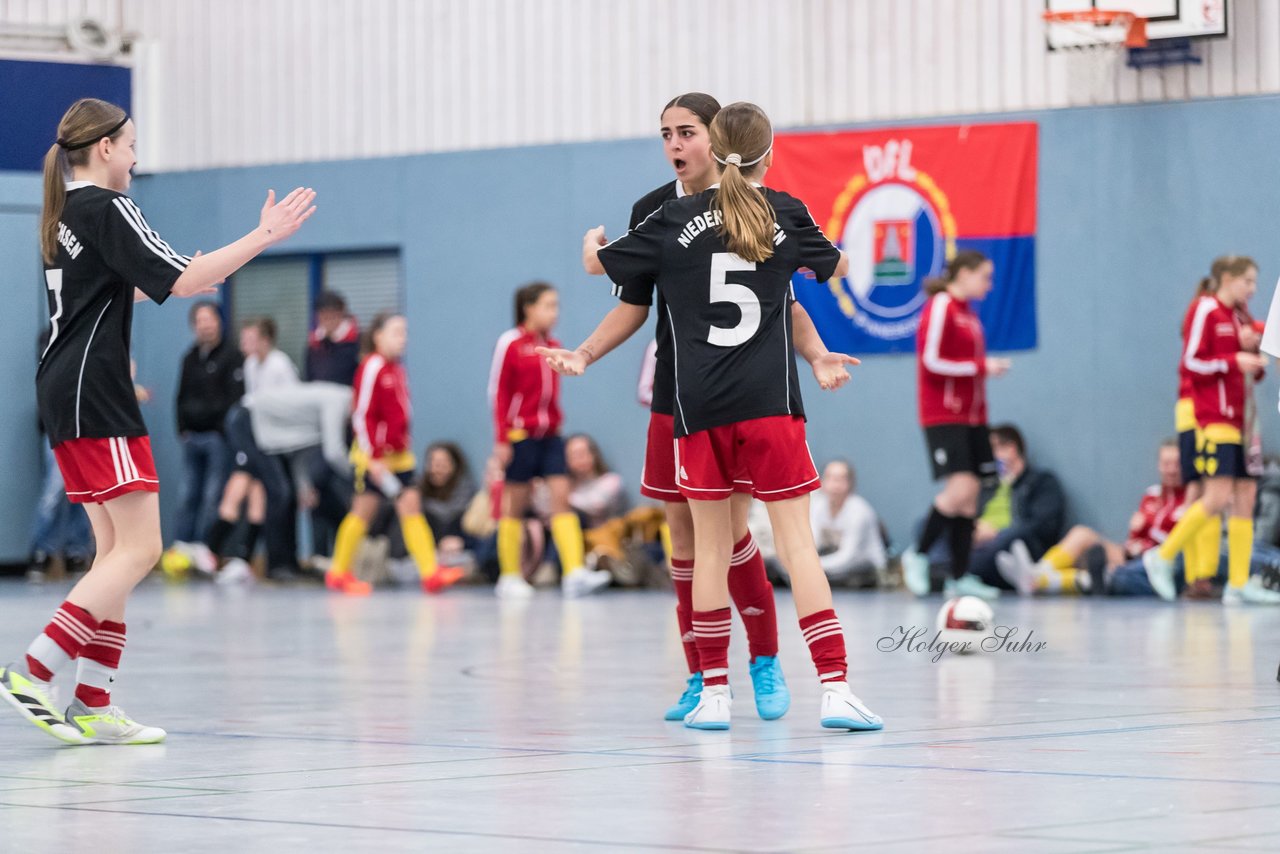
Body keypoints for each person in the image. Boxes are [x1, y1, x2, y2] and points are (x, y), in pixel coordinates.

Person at [554, 101, 882, 732]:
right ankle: (836, 688)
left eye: (686, 133)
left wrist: (591, 244)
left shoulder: (670, 219)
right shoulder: (783, 212)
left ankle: (713, 692)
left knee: (709, 550)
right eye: (668, 135)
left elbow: (599, 263)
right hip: (769, 405)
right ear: (768, 153)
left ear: (712, 144)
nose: (675, 144)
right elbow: (836, 267)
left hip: (697, 407)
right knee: (797, 547)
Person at [0, 97, 315, 745]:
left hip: (67, 390)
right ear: (107, 147)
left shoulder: (66, 214)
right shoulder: (107, 206)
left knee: (115, 555)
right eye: (133, 144)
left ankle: (91, 700)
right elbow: (183, 276)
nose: (139, 158)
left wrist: (187, 275)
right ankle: (33, 672)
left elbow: (143, 283)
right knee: (143, 548)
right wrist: (265, 236)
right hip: (96, 393)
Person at [1144, 256, 1280, 604]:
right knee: (1216, 496)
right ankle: (1162, 556)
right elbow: (1191, 362)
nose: (1252, 289)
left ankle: (1237, 583)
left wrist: (1250, 355)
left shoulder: (1240, 318)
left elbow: (1253, 372)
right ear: (1228, 278)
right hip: (1214, 418)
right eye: (1248, 281)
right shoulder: (1205, 310)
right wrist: (1233, 360)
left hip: (1244, 420)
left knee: (1246, 498)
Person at [487, 282, 613, 599]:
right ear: (528, 307)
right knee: (514, 504)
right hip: (520, 435)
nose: (554, 313)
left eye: (557, 306)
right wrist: (502, 439)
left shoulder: (554, 344)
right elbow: (498, 392)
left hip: (551, 435)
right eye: (548, 305)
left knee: (561, 497)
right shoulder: (510, 343)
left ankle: (573, 572)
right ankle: (510, 575)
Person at [324, 313, 463, 596]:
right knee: (362, 512)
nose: (403, 339)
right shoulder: (372, 366)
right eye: (396, 333)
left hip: (399, 456)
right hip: (374, 457)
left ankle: (430, 573)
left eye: (405, 333)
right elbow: (361, 415)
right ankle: (338, 572)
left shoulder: (395, 368)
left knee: (411, 507)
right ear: (378, 336)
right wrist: (373, 457)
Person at [900, 251, 1011, 601]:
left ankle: (959, 575)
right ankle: (916, 554)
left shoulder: (968, 313)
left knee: (972, 495)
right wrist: (981, 366)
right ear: (963, 274)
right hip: (944, 415)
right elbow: (930, 360)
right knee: (960, 488)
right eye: (985, 277)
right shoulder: (941, 306)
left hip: (973, 416)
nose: (989, 285)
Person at [997, 439, 1185, 596]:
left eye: (1176, 464)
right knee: (1082, 534)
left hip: (1156, 561)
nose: (1171, 470)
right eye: (1166, 464)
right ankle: (1038, 571)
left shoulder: (1191, 499)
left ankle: (1038, 580)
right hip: (1131, 553)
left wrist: (1150, 528)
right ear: (1159, 465)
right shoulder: (1152, 494)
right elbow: (1135, 534)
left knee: (1106, 572)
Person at [172, 300, 244, 551]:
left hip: (217, 439)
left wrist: (223, 430)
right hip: (192, 437)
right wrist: (181, 427)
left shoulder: (232, 356)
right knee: (187, 495)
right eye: (200, 321)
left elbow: (235, 400)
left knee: (212, 496)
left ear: (219, 322)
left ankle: (206, 549)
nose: (206, 326)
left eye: (210, 320)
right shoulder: (189, 358)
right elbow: (180, 396)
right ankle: (182, 547)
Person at [964, 425, 1066, 591]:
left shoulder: (1040, 481)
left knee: (1011, 539)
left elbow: (1045, 525)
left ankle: (954, 571)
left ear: (1011, 448)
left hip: (1013, 545)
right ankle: (952, 569)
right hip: (979, 544)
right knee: (936, 526)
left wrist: (995, 533)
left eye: (990, 450)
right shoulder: (987, 487)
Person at [808, 460, 886, 585]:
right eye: (830, 478)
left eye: (840, 479)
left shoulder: (859, 511)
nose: (834, 485)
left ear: (850, 484)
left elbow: (848, 556)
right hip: (832, 562)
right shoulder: (817, 506)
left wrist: (812, 566)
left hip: (864, 569)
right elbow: (813, 542)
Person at [418, 441, 478, 567]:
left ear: (455, 466)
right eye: (433, 463)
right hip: (426, 555)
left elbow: (479, 533)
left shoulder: (469, 496)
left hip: (462, 553)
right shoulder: (417, 496)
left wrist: (462, 542)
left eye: (443, 463)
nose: (437, 469)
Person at [565, 434, 628, 530]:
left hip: (609, 535)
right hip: (577, 536)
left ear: (594, 454)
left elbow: (596, 505)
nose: (580, 459)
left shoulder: (611, 481)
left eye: (583, 453)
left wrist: (562, 498)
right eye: (574, 455)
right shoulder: (569, 486)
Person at [306, 289, 361, 385]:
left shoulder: (356, 343)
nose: (328, 320)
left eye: (332, 315)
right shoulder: (313, 346)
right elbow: (309, 378)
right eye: (324, 316)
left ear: (341, 314)